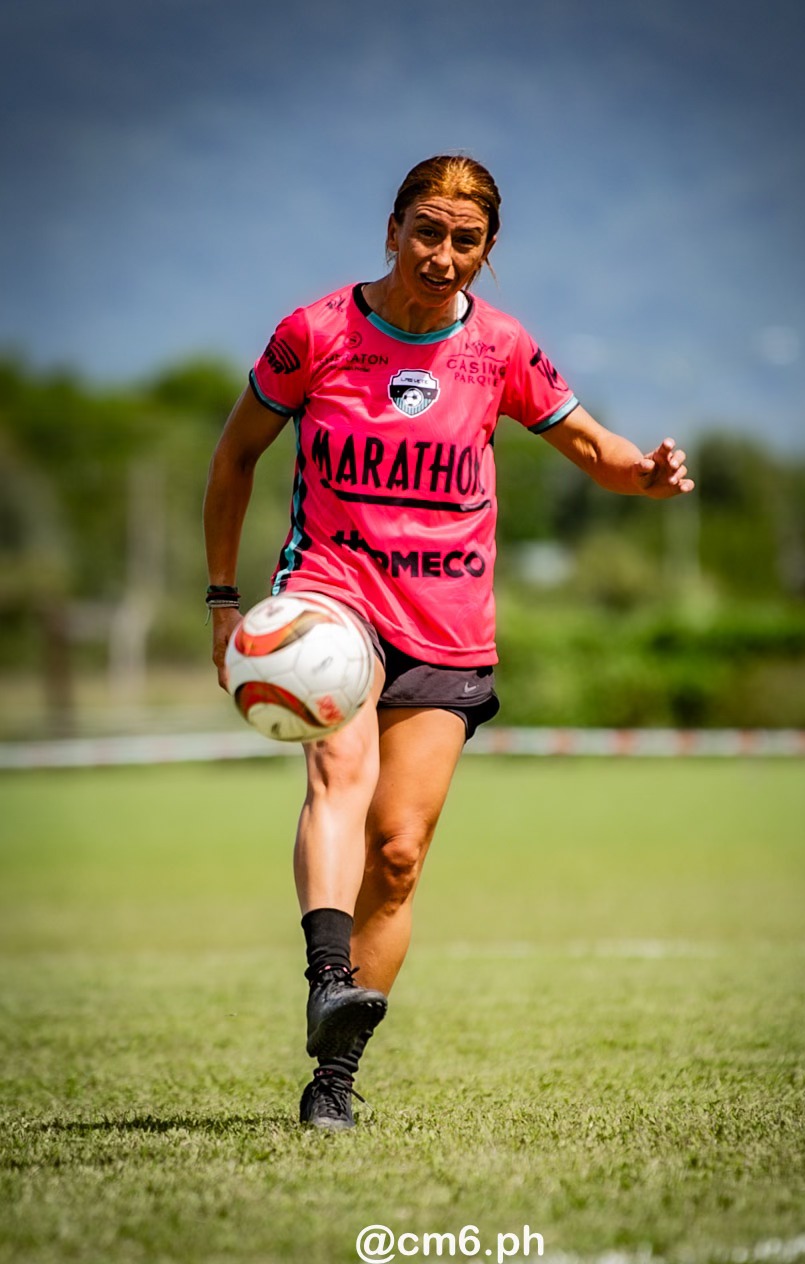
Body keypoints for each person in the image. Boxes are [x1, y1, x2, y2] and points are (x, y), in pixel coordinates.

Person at [203, 154, 693, 1131]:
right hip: (332, 596)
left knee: (398, 852)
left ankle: (334, 1079)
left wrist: (644, 474)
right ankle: (327, 977)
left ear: (488, 250)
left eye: (466, 240)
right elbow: (235, 457)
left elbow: (593, 448)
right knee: (338, 777)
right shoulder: (316, 334)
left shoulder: (501, 348)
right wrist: (224, 598)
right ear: (392, 230)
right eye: (427, 231)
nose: (443, 254)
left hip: (447, 625)